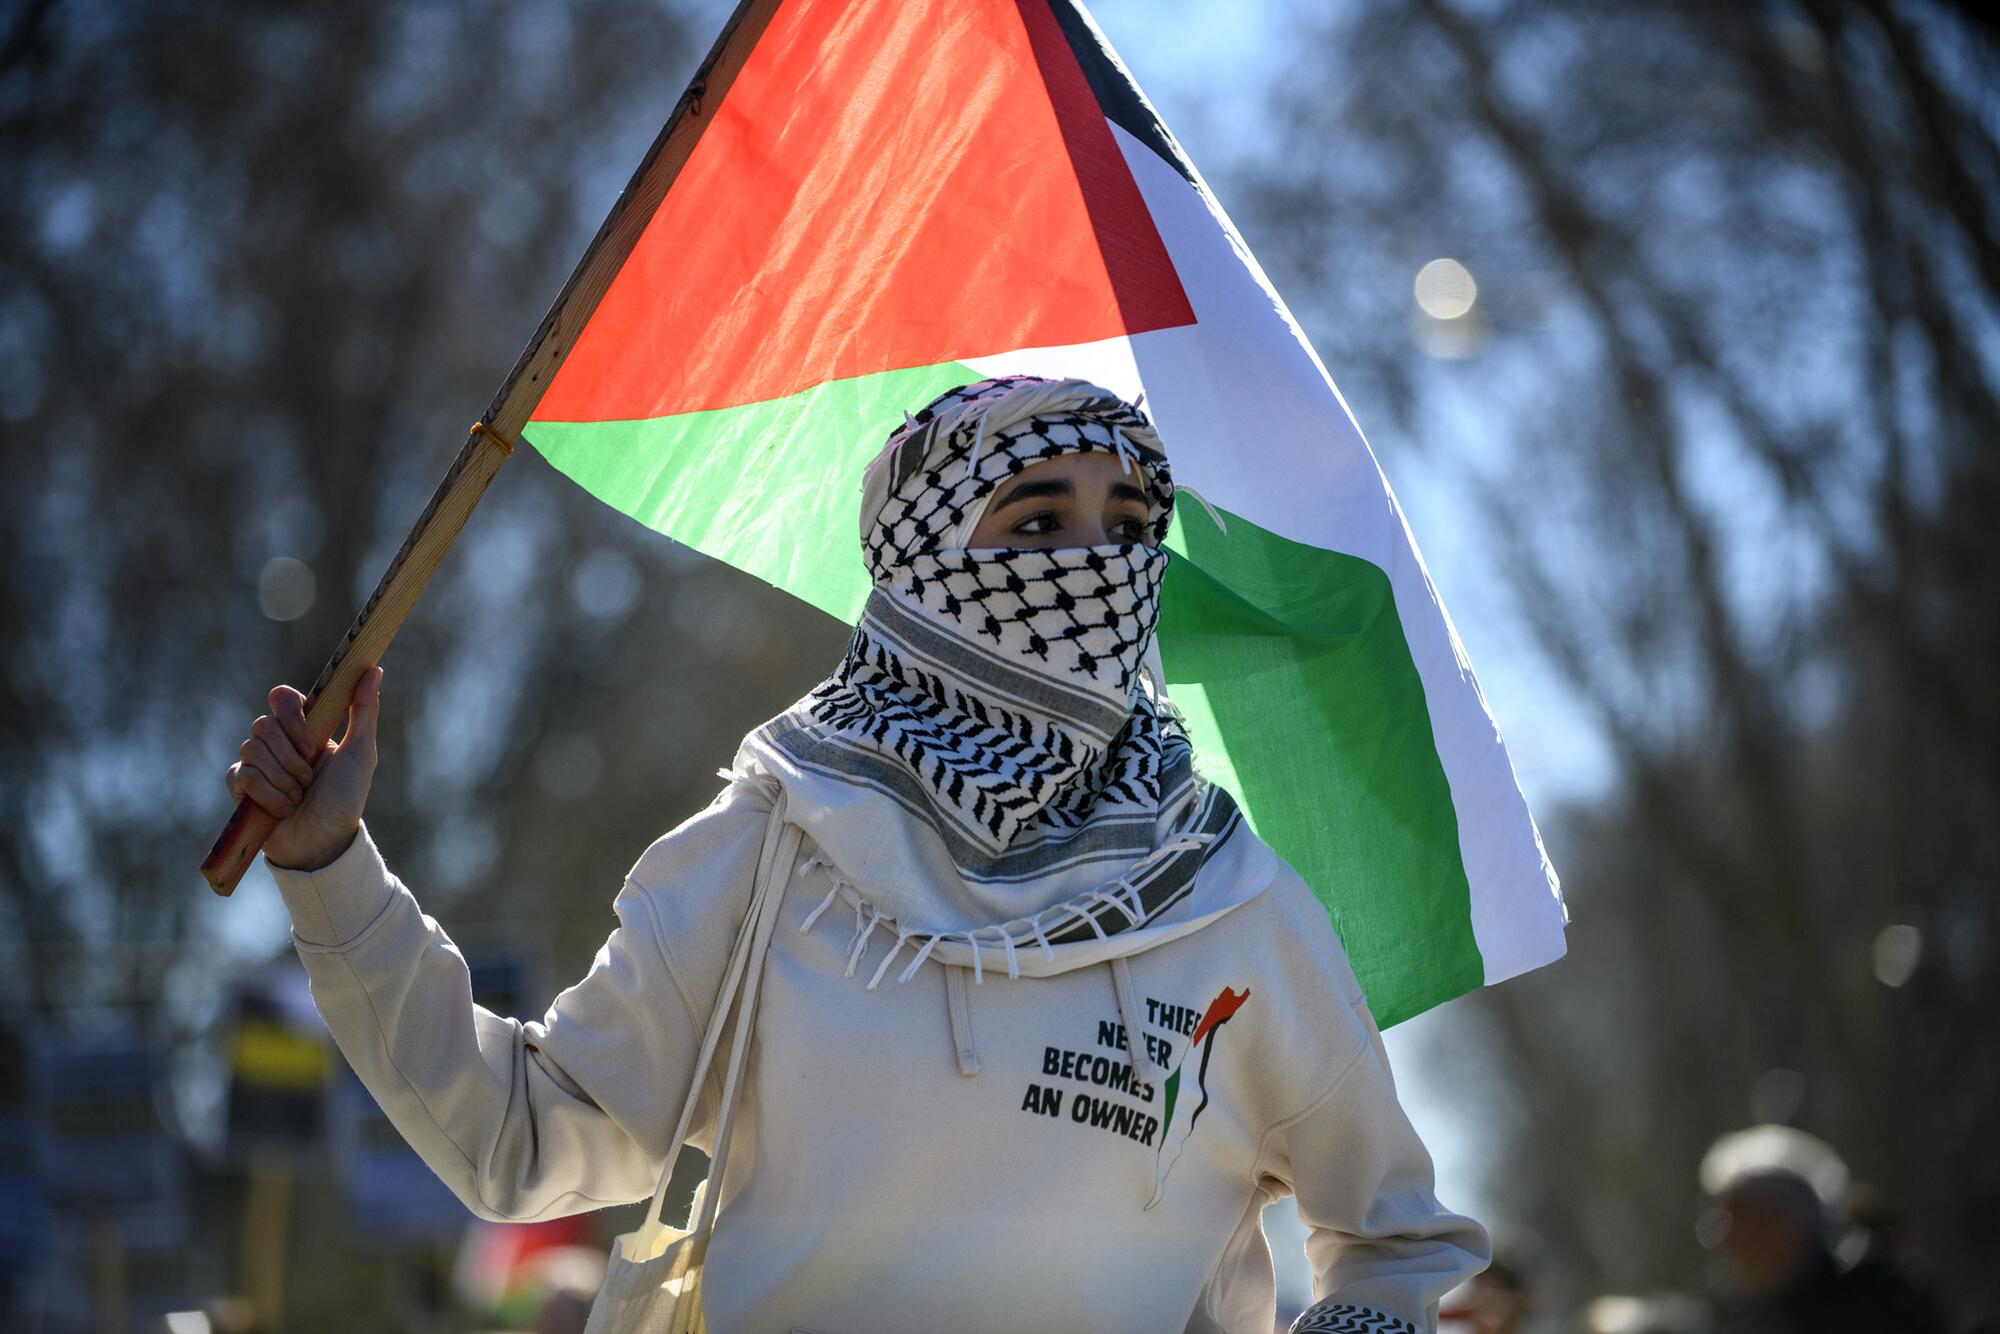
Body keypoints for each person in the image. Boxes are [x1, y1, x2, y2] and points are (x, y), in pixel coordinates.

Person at [227, 376, 1488, 1333]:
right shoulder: (763, 852)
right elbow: (520, 1138)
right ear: (922, 559)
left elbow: (1393, 1238)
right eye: (1037, 517)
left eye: (1127, 524)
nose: (1094, 567)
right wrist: (334, 867)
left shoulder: (1230, 899)